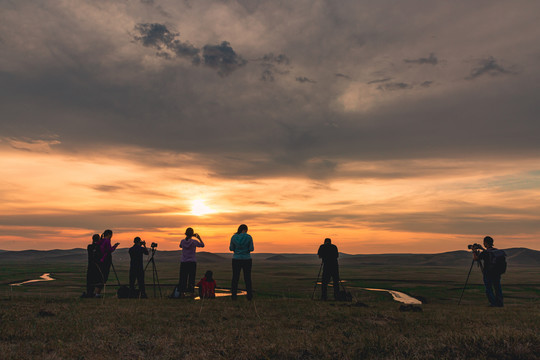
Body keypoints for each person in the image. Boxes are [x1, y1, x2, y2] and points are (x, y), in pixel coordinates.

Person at [473, 236, 506, 307]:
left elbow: (476, 259)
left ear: (485, 243)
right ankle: (500, 303)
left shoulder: (485, 253)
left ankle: (493, 303)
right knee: (497, 287)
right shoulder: (496, 251)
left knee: (489, 288)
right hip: (497, 272)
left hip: (488, 273)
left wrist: (474, 251)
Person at [230, 224, 254, 300]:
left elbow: (231, 248)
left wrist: (237, 250)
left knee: (235, 277)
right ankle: (249, 296)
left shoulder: (234, 237)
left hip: (236, 259)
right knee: (247, 277)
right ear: (246, 229)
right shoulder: (249, 237)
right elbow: (251, 249)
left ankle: (234, 295)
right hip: (247, 259)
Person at [178, 228, 205, 295]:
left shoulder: (182, 241)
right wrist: (199, 238)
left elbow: (180, 246)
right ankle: (191, 292)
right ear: (192, 234)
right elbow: (202, 245)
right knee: (191, 278)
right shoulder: (194, 242)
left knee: (183, 278)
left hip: (184, 262)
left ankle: (182, 292)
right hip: (192, 262)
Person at [95, 229, 119, 297]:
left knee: (100, 276)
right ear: (109, 234)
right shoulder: (107, 241)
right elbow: (109, 250)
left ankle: (96, 292)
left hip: (101, 261)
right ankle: (98, 293)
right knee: (104, 277)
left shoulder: (101, 240)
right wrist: (115, 246)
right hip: (106, 260)